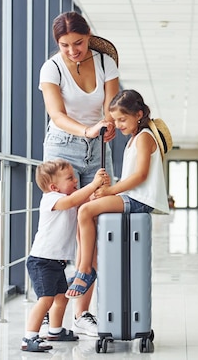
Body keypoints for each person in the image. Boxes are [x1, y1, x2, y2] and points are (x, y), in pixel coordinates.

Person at [39, 11, 119, 336]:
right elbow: (56, 114)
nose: (73, 51)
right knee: (62, 225)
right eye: (65, 45)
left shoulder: (105, 63)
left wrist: (110, 124)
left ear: (88, 37)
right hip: (62, 148)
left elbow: (111, 107)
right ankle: (50, 303)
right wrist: (88, 130)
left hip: (98, 146)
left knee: (97, 226)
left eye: (79, 43)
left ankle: (82, 313)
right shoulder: (51, 68)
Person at [66, 89, 170, 298]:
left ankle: (86, 270)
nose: (119, 124)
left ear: (138, 115)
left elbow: (140, 176)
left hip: (139, 200)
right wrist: (106, 192)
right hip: (133, 197)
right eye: (116, 120)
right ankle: (82, 266)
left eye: (122, 119)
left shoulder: (144, 137)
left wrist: (110, 191)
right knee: (85, 209)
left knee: (85, 210)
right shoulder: (134, 138)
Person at [21, 159, 108, 352]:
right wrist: (92, 184)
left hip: (56, 262)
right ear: (54, 186)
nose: (75, 180)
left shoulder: (67, 197)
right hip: (41, 261)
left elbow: (84, 202)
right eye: (70, 178)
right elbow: (72, 201)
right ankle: (29, 337)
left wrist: (99, 190)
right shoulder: (51, 199)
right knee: (46, 299)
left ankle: (55, 330)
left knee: (61, 297)